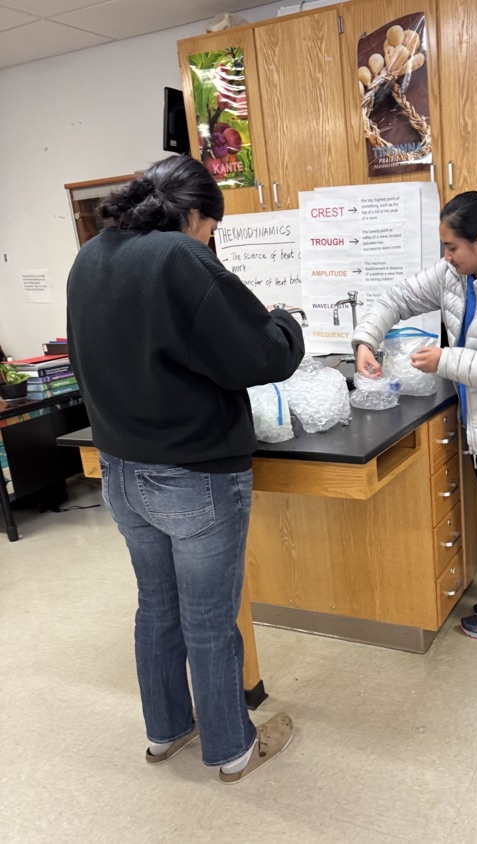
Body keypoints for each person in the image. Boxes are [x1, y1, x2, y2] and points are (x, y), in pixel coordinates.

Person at [66, 155, 305, 783]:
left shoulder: (92, 255)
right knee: (208, 620)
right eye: (212, 229)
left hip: (120, 469)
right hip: (193, 476)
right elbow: (262, 354)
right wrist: (286, 321)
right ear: (195, 214)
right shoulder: (180, 256)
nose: (210, 241)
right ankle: (231, 748)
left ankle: (167, 729)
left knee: (156, 607)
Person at [352, 190, 477, 640]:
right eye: (444, 247)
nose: (446, 256)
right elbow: (397, 298)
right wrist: (366, 340)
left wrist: (446, 360)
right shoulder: (453, 275)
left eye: (452, 247)